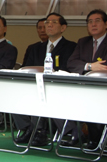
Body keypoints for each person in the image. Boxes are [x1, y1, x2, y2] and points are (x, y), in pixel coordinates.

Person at [14, 12, 77, 147]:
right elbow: (26, 68)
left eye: (54, 23)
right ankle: (28, 129)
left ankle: (39, 131)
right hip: (35, 85)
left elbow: (69, 68)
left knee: (43, 96)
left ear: (63, 27)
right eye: (47, 22)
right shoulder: (35, 48)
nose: (49, 25)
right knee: (15, 94)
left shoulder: (71, 46)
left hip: (58, 87)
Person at [67, 9, 107, 149]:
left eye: (97, 21)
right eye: (90, 22)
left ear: (106, 24)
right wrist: (90, 66)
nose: (93, 24)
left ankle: (97, 139)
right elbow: (72, 63)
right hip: (84, 87)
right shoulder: (83, 42)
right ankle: (82, 136)